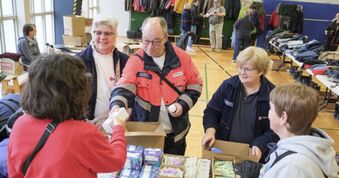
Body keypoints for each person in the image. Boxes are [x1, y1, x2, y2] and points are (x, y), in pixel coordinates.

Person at [7, 54, 127, 178]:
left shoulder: (20, 124)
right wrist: (118, 128)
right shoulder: (82, 133)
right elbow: (115, 160)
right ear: (76, 91)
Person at [225, 83, 336, 178]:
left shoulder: (292, 170)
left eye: (270, 108)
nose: (268, 113)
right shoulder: (301, 152)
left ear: (283, 117)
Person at [110, 17, 203, 156]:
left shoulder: (182, 58)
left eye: (155, 41)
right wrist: (117, 105)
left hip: (175, 134)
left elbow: (195, 85)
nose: (149, 46)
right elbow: (124, 87)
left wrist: (182, 105)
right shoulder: (136, 60)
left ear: (165, 37)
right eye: (145, 41)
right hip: (147, 133)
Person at [202, 46, 278, 163]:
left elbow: (275, 130)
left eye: (248, 69)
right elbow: (211, 112)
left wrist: (259, 144)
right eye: (240, 67)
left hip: (253, 157)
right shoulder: (228, 86)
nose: (242, 73)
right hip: (222, 150)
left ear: (261, 71)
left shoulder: (273, 95)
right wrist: (210, 131)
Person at [78, 14, 129, 125]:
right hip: (87, 123)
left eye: (107, 33)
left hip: (116, 122)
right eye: (98, 33)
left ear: (115, 36)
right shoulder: (78, 61)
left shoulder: (125, 61)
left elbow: (129, 92)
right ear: (92, 34)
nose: (102, 37)